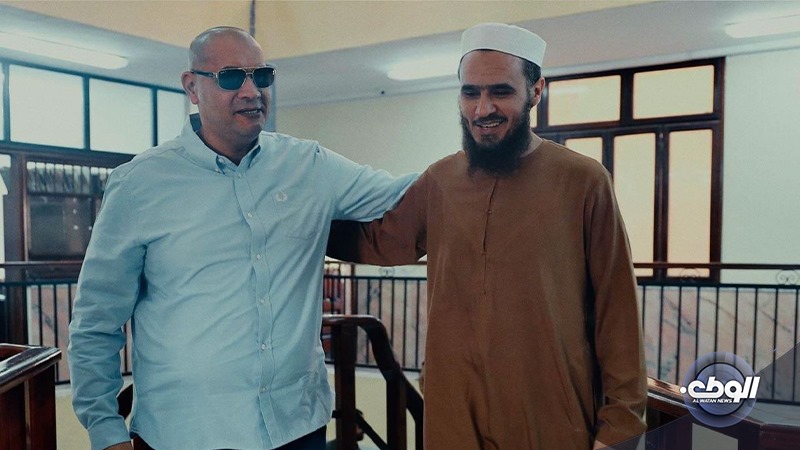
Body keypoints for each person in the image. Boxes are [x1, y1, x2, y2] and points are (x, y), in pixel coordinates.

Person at [68, 26, 416, 450]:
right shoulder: (139, 184)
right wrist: (106, 431)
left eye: (262, 76)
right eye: (231, 77)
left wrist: (482, 159)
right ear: (192, 87)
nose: (252, 91)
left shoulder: (309, 166)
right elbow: (96, 321)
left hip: (297, 427)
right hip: (186, 436)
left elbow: (406, 196)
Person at [327, 23, 647, 450]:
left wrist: (621, 426)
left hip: (550, 414)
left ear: (535, 91)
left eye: (500, 92)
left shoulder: (583, 181)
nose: (482, 109)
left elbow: (617, 308)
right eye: (470, 93)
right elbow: (381, 241)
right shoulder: (440, 180)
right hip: (454, 413)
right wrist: (300, 224)